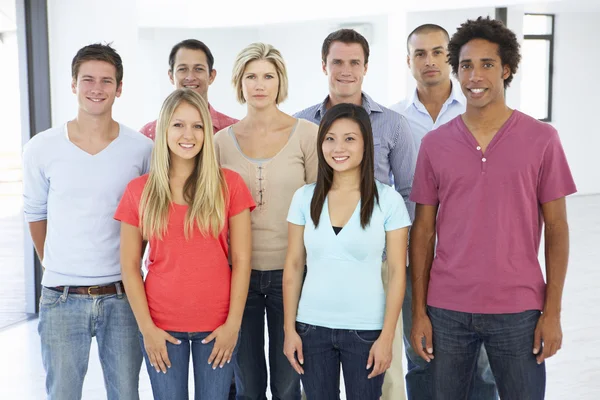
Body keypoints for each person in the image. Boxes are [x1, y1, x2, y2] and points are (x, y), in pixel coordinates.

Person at [409, 17, 577, 400]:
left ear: (506, 69)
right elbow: (423, 232)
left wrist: (552, 313)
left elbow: (557, 229)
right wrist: (420, 312)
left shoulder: (542, 139)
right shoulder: (435, 145)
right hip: (447, 310)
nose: (475, 75)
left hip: (518, 309)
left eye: (487, 64)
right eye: (466, 65)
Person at [22, 43, 152, 400]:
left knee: (126, 393)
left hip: (123, 296)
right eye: (88, 79)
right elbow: (35, 213)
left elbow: (147, 216)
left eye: (106, 81)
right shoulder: (41, 147)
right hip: (61, 298)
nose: (97, 88)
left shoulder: (141, 149)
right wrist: (52, 262)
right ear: (74, 84)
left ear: (119, 88)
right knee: (62, 394)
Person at [294, 28, 416, 399]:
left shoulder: (394, 123)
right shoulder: (301, 124)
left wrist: (384, 245)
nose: (345, 70)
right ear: (324, 66)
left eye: (354, 62)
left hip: (376, 261)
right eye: (337, 62)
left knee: (387, 376)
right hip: (320, 267)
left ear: (366, 67)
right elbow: (302, 192)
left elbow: (409, 192)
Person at [115, 89, 255, 399]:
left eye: (197, 126)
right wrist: (146, 329)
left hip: (218, 326)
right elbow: (128, 266)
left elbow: (243, 261)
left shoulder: (229, 185)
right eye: (178, 125)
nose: (188, 134)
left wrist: (233, 324)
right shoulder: (139, 190)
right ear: (163, 129)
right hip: (161, 327)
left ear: (207, 131)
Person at [389, 24, 497, 400]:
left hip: (467, 257)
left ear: (450, 58)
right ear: (408, 61)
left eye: (438, 52)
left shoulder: (479, 115)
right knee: (419, 355)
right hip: (410, 257)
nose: (429, 61)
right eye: (420, 54)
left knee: (480, 363)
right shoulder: (395, 120)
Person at [214, 42, 318, 400]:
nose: (259, 84)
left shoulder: (307, 134)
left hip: (292, 276)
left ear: (280, 82)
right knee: (248, 385)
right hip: (237, 277)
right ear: (239, 83)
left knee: (289, 383)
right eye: (251, 76)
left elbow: (319, 209)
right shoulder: (219, 143)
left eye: (268, 76)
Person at [140, 39, 238, 140]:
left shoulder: (235, 131)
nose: (190, 77)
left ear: (211, 76)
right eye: (182, 69)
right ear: (171, 76)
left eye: (199, 69)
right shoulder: (149, 134)